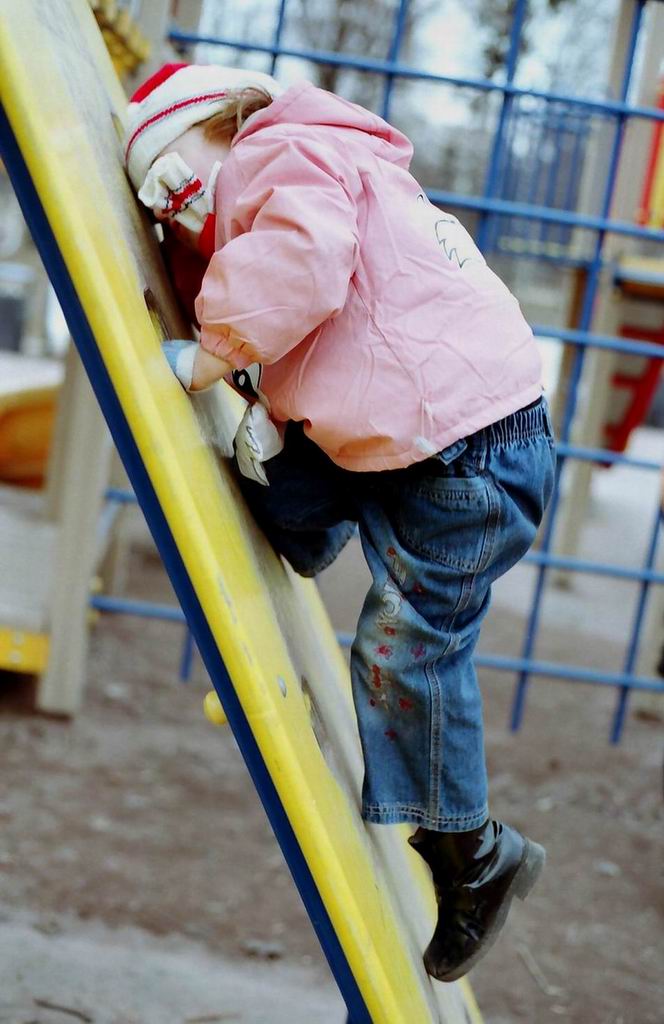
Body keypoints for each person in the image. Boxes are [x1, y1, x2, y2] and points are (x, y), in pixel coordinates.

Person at [123, 62, 556, 982]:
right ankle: (306, 525)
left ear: (225, 123)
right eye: (158, 208)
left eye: (172, 182)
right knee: (286, 477)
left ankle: (475, 854)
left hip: (467, 451)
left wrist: (212, 354)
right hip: (405, 434)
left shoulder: (281, 149)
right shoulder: (286, 177)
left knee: (408, 649)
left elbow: (300, 263)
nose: (176, 212)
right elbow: (312, 316)